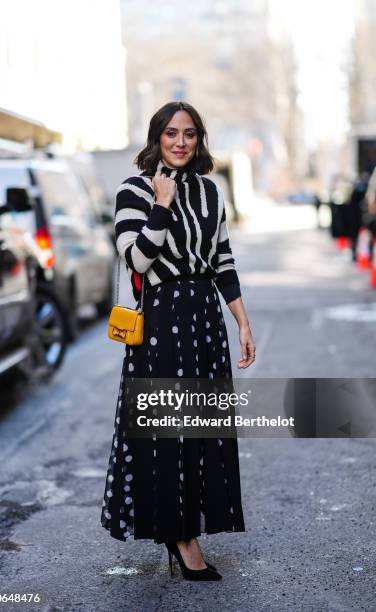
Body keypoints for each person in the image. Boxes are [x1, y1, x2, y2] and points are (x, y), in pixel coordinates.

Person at [100, 101, 256, 581]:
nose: (181, 142)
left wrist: (242, 323)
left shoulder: (212, 192)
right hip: (160, 323)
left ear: (199, 139)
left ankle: (189, 528)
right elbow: (139, 260)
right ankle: (180, 538)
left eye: (189, 133)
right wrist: (161, 204)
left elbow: (222, 261)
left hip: (204, 319)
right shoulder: (133, 191)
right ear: (157, 138)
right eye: (172, 133)